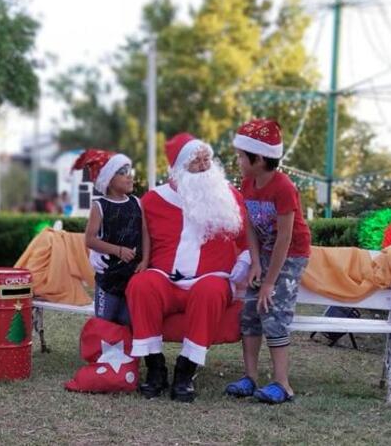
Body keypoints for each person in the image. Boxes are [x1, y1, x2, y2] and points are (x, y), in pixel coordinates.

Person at [125, 133, 254, 403]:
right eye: (196, 161)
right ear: (181, 168)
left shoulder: (230, 197)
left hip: (212, 278)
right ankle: (155, 367)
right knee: (141, 285)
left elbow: (246, 241)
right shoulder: (153, 200)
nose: (205, 165)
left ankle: (186, 369)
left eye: (207, 158)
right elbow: (133, 236)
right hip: (166, 279)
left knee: (209, 290)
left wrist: (244, 264)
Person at [225, 118, 312, 404]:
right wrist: (255, 263)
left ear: (259, 158)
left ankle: (282, 384)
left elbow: (285, 239)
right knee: (250, 312)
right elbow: (250, 223)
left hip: (290, 254)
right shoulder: (248, 181)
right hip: (264, 253)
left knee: (272, 310)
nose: (237, 160)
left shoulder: (283, 187)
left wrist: (270, 282)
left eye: (241, 156)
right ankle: (250, 378)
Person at [73, 149, 149, 326]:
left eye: (129, 172)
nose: (129, 177)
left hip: (133, 274)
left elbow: (145, 231)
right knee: (105, 319)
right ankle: (102, 352)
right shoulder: (99, 206)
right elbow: (90, 240)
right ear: (108, 179)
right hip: (109, 275)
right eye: (122, 173)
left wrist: (145, 260)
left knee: (127, 320)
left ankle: (125, 353)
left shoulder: (136, 203)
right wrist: (118, 250)